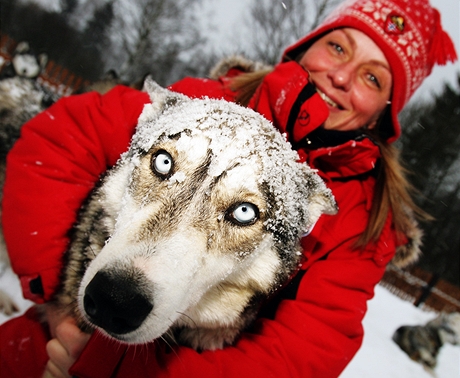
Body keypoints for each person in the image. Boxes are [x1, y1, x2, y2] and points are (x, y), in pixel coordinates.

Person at [0, 0, 456, 377]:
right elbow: (59, 140)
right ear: (304, 50)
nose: (342, 76)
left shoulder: (363, 222)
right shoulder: (206, 101)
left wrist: (123, 371)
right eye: (338, 47)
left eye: (373, 77)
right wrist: (62, 295)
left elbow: (302, 352)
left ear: (383, 114)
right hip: (50, 335)